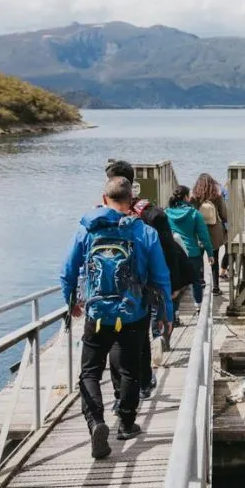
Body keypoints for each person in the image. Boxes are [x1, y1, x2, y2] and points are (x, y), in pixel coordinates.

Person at [60, 176, 174, 459]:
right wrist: (166, 314)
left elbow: (67, 271)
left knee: (89, 372)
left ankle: (96, 421)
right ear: (132, 201)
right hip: (133, 313)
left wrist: (72, 301)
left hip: (96, 313)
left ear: (103, 198)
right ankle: (125, 423)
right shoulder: (144, 232)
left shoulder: (86, 229)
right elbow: (161, 277)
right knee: (128, 369)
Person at [103, 160, 192, 409]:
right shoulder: (152, 213)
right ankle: (138, 386)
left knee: (118, 341)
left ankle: (122, 393)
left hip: (114, 290)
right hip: (143, 287)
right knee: (137, 337)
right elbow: (168, 252)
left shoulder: (102, 216)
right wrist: (171, 289)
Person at [165, 185, 215, 305]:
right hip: (192, 254)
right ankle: (198, 306)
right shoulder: (194, 214)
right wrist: (210, 253)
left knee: (175, 283)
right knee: (196, 281)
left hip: (174, 253)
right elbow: (204, 236)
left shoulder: (166, 213)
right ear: (186, 197)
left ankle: (175, 314)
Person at [191, 173, 228, 295]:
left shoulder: (194, 197)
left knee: (199, 256)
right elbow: (224, 214)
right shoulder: (217, 196)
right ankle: (216, 288)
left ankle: (201, 281)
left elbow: (191, 213)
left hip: (198, 230)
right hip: (215, 231)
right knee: (215, 258)